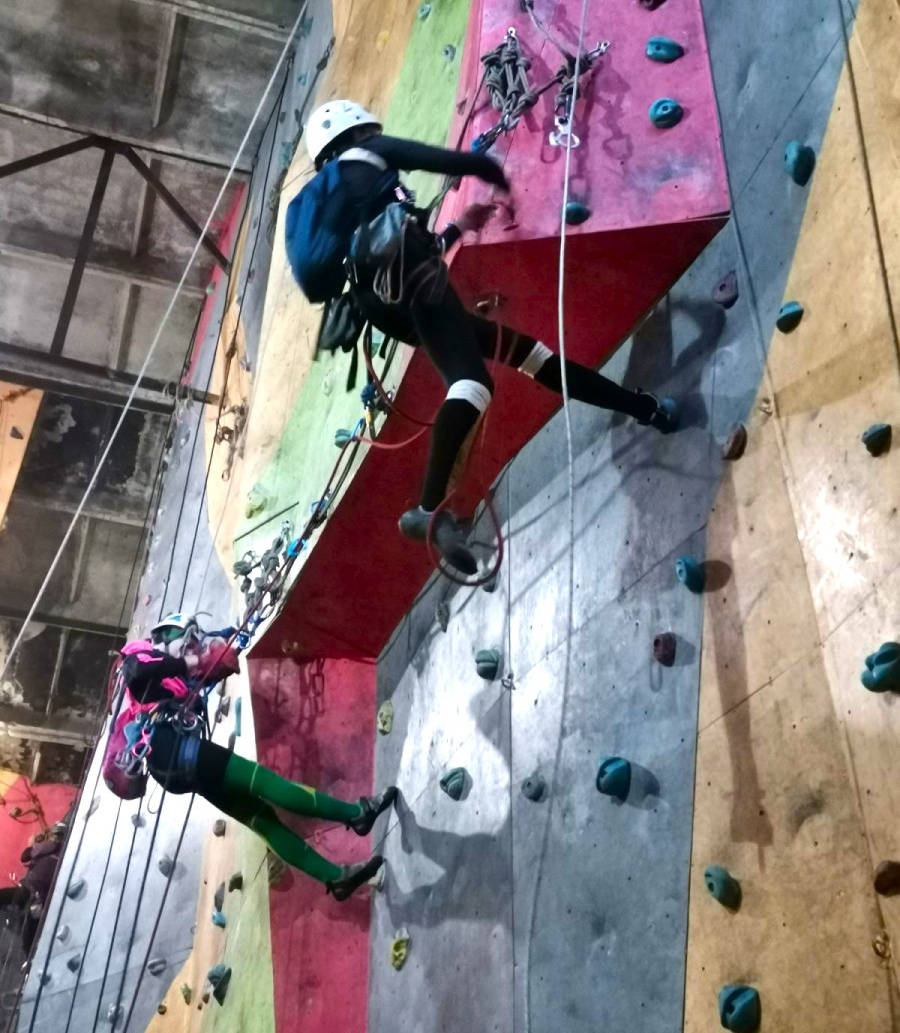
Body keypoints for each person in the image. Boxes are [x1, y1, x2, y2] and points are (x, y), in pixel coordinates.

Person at [284, 100, 680, 575]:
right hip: (415, 285)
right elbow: (447, 161)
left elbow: (400, 249)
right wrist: (494, 173)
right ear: (355, 132)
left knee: (533, 358)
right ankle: (426, 510)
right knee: (471, 383)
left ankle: (641, 407)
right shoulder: (369, 154)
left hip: (385, 305)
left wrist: (459, 227)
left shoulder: (338, 207)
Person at [102, 613, 395, 902]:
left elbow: (202, 675)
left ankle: (336, 878)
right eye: (187, 643)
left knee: (263, 820)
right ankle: (357, 813)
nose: (192, 648)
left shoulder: (168, 685)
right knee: (265, 782)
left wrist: (223, 653)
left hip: (174, 768)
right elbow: (137, 669)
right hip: (176, 750)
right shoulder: (140, 660)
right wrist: (190, 663)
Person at [0, 829, 63, 953]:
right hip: (40, 899)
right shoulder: (59, 854)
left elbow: (25, 857)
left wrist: (32, 845)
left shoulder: (45, 848)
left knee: (29, 938)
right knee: (30, 940)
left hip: (30, 891)